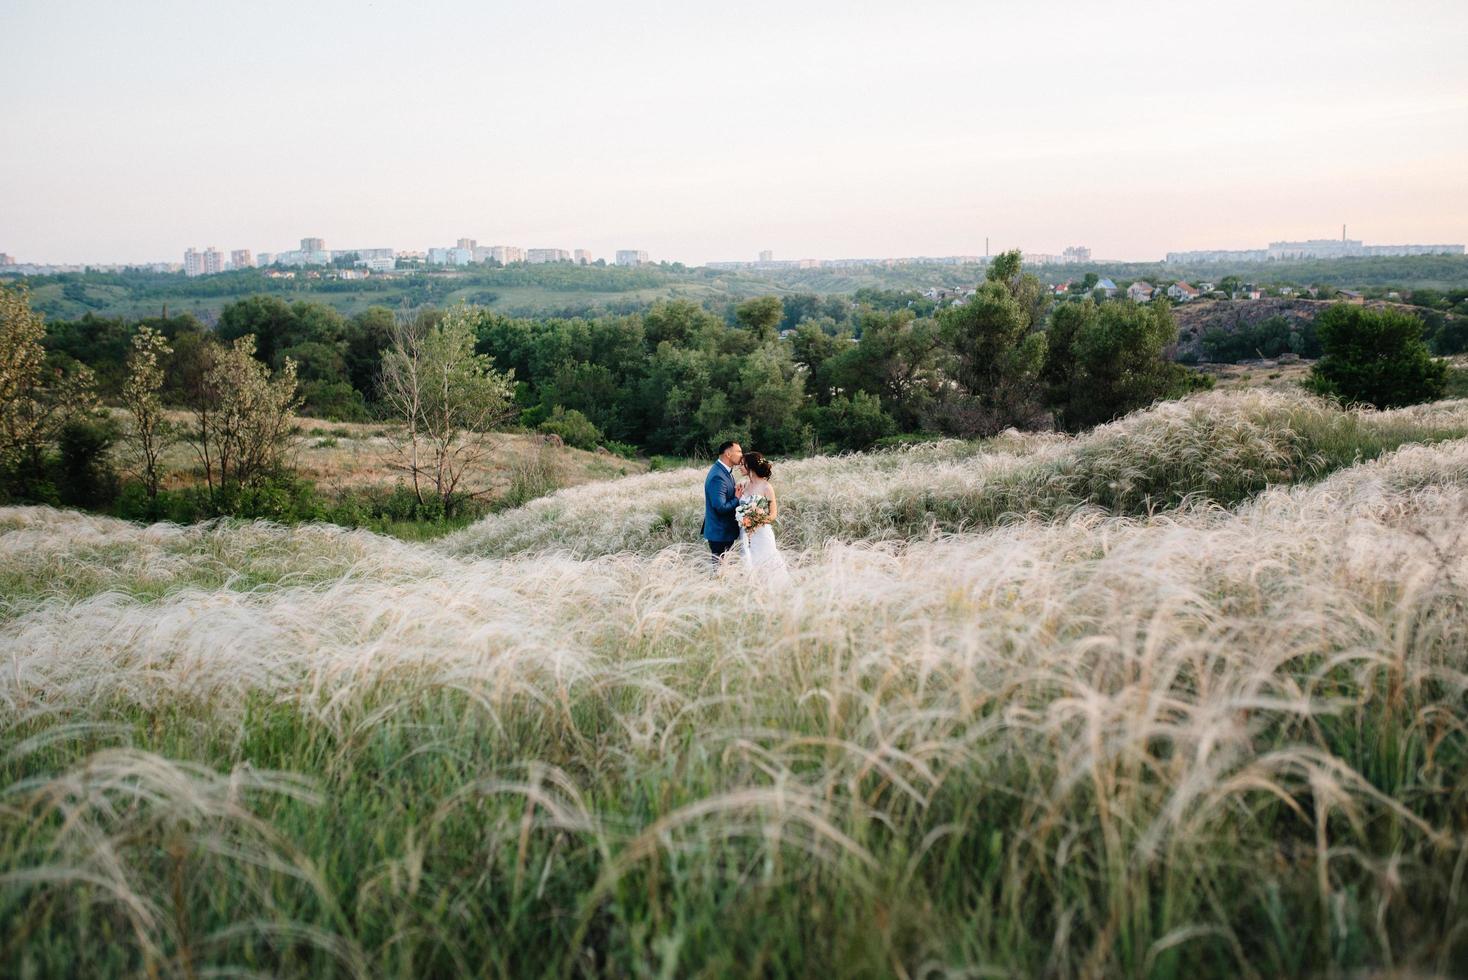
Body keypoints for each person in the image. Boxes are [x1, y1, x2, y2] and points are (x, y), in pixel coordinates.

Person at [735, 450, 789, 583]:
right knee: (748, 561)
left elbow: (773, 514)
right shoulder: (744, 485)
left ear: (750, 466)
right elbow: (739, 506)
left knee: (766, 561)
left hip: (761, 533)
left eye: (742, 464)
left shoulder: (766, 487)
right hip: (745, 532)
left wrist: (756, 520)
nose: (739, 467)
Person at [702, 441, 743, 564]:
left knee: (724, 569)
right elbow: (720, 507)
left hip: (724, 532)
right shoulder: (718, 476)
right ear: (728, 454)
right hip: (720, 533)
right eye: (739, 451)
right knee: (720, 571)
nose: (742, 455)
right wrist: (737, 498)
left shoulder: (724, 471)